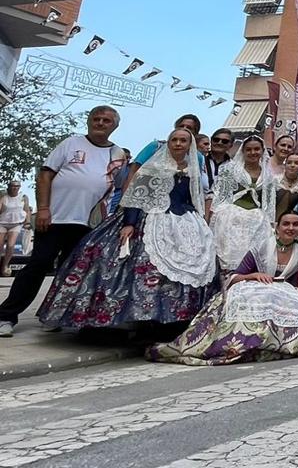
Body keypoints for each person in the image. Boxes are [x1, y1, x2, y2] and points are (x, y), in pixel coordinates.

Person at [39, 128, 216, 334]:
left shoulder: (193, 169)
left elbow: (193, 198)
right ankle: (121, 319)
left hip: (184, 220)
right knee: (118, 259)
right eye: (174, 140)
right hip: (149, 218)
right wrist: (129, 223)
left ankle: (171, 320)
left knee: (191, 267)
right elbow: (137, 196)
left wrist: (199, 222)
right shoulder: (154, 166)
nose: (178, 144)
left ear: (189, 145)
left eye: (183, 141)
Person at [0, 106, 126, 337]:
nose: (100, 123)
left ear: (114, 126)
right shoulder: (71, 143)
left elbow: (120, 188)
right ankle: (6, 316)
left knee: (71, 272)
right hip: (55, 218)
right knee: (39, 264)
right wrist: (45, 209)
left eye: (106, 120)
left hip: (88, 224)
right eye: (95, 118)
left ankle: (54, 315)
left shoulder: (118, 154)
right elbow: (45, 175)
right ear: (88, 121)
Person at [146, 211, 298, 364]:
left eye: (295, 225)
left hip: (281, 293)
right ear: (277, 227)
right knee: (246, 304)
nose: (291, 228)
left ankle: (272, 344)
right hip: (251, 288)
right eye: (286, 224)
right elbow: (234, 277)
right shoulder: (261, 248)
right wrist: (254, 275)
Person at [210, 136, 276, 275]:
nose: (253, 152)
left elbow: (269, 204)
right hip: (231, 216)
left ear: (262, 151)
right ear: (243, 151)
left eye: (256, 149)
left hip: (257, 219)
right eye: (249, 149)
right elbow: (220, 196)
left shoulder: (268, 176)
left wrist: (270, 223)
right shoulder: (230, 169)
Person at [0, 181, 27, 277]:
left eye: (17, 186)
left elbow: (26, 210)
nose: (15, 188)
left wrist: (27, 222)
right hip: (2, 223)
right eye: (13, 186)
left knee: (11, 245)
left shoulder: (23, 197)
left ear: (19, 187)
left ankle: (5, 266)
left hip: (15, 224)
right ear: (9, 187)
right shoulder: (4, 197)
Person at [275, 152, 298, 220]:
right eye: (289, 162)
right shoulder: (274, 181)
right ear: (285, 165)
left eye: (296, 163)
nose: (292, 165)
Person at [204, 128, 236, 195]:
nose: (219, 143)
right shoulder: (200, 161)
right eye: (216, 140)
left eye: (225, 141)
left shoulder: (234, 167)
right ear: (211, 141)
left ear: (231, 145)